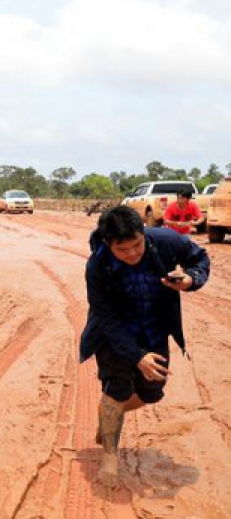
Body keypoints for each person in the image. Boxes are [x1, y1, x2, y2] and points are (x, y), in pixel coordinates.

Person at [80, 205, 209, 488]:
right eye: (122, 250)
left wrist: (191, 279)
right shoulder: (97, 266)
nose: (132, 254)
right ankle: (110, 458)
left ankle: (110, 413)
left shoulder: (165, 240)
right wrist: (137, 356)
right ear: (108, 244)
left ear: (143, 233)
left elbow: (199, 257)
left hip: (153, 330)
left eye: (137, 245)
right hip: (114, 334)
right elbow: (105, 317)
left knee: (151, 393)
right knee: (117, 390)